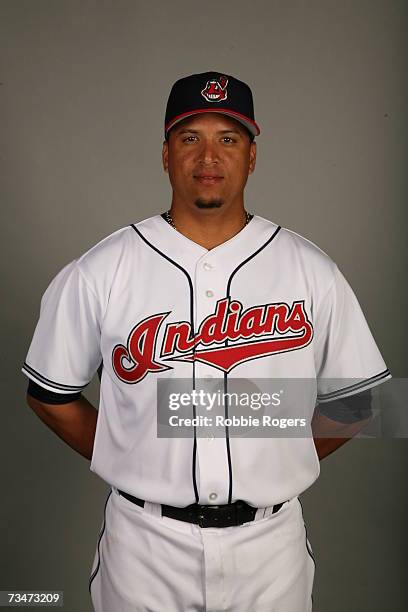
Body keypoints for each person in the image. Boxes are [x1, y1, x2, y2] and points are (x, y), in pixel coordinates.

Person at [22, 71, 391, 611]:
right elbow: (50, 396)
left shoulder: (311, 270)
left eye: (229, 138)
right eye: (190, 138)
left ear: (253, 156)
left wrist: (281, 453)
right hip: (144, 548)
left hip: (271, 550)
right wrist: (129, 450)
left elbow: (361, 401)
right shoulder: (103, 269)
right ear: (166, 154)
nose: (209, 157)